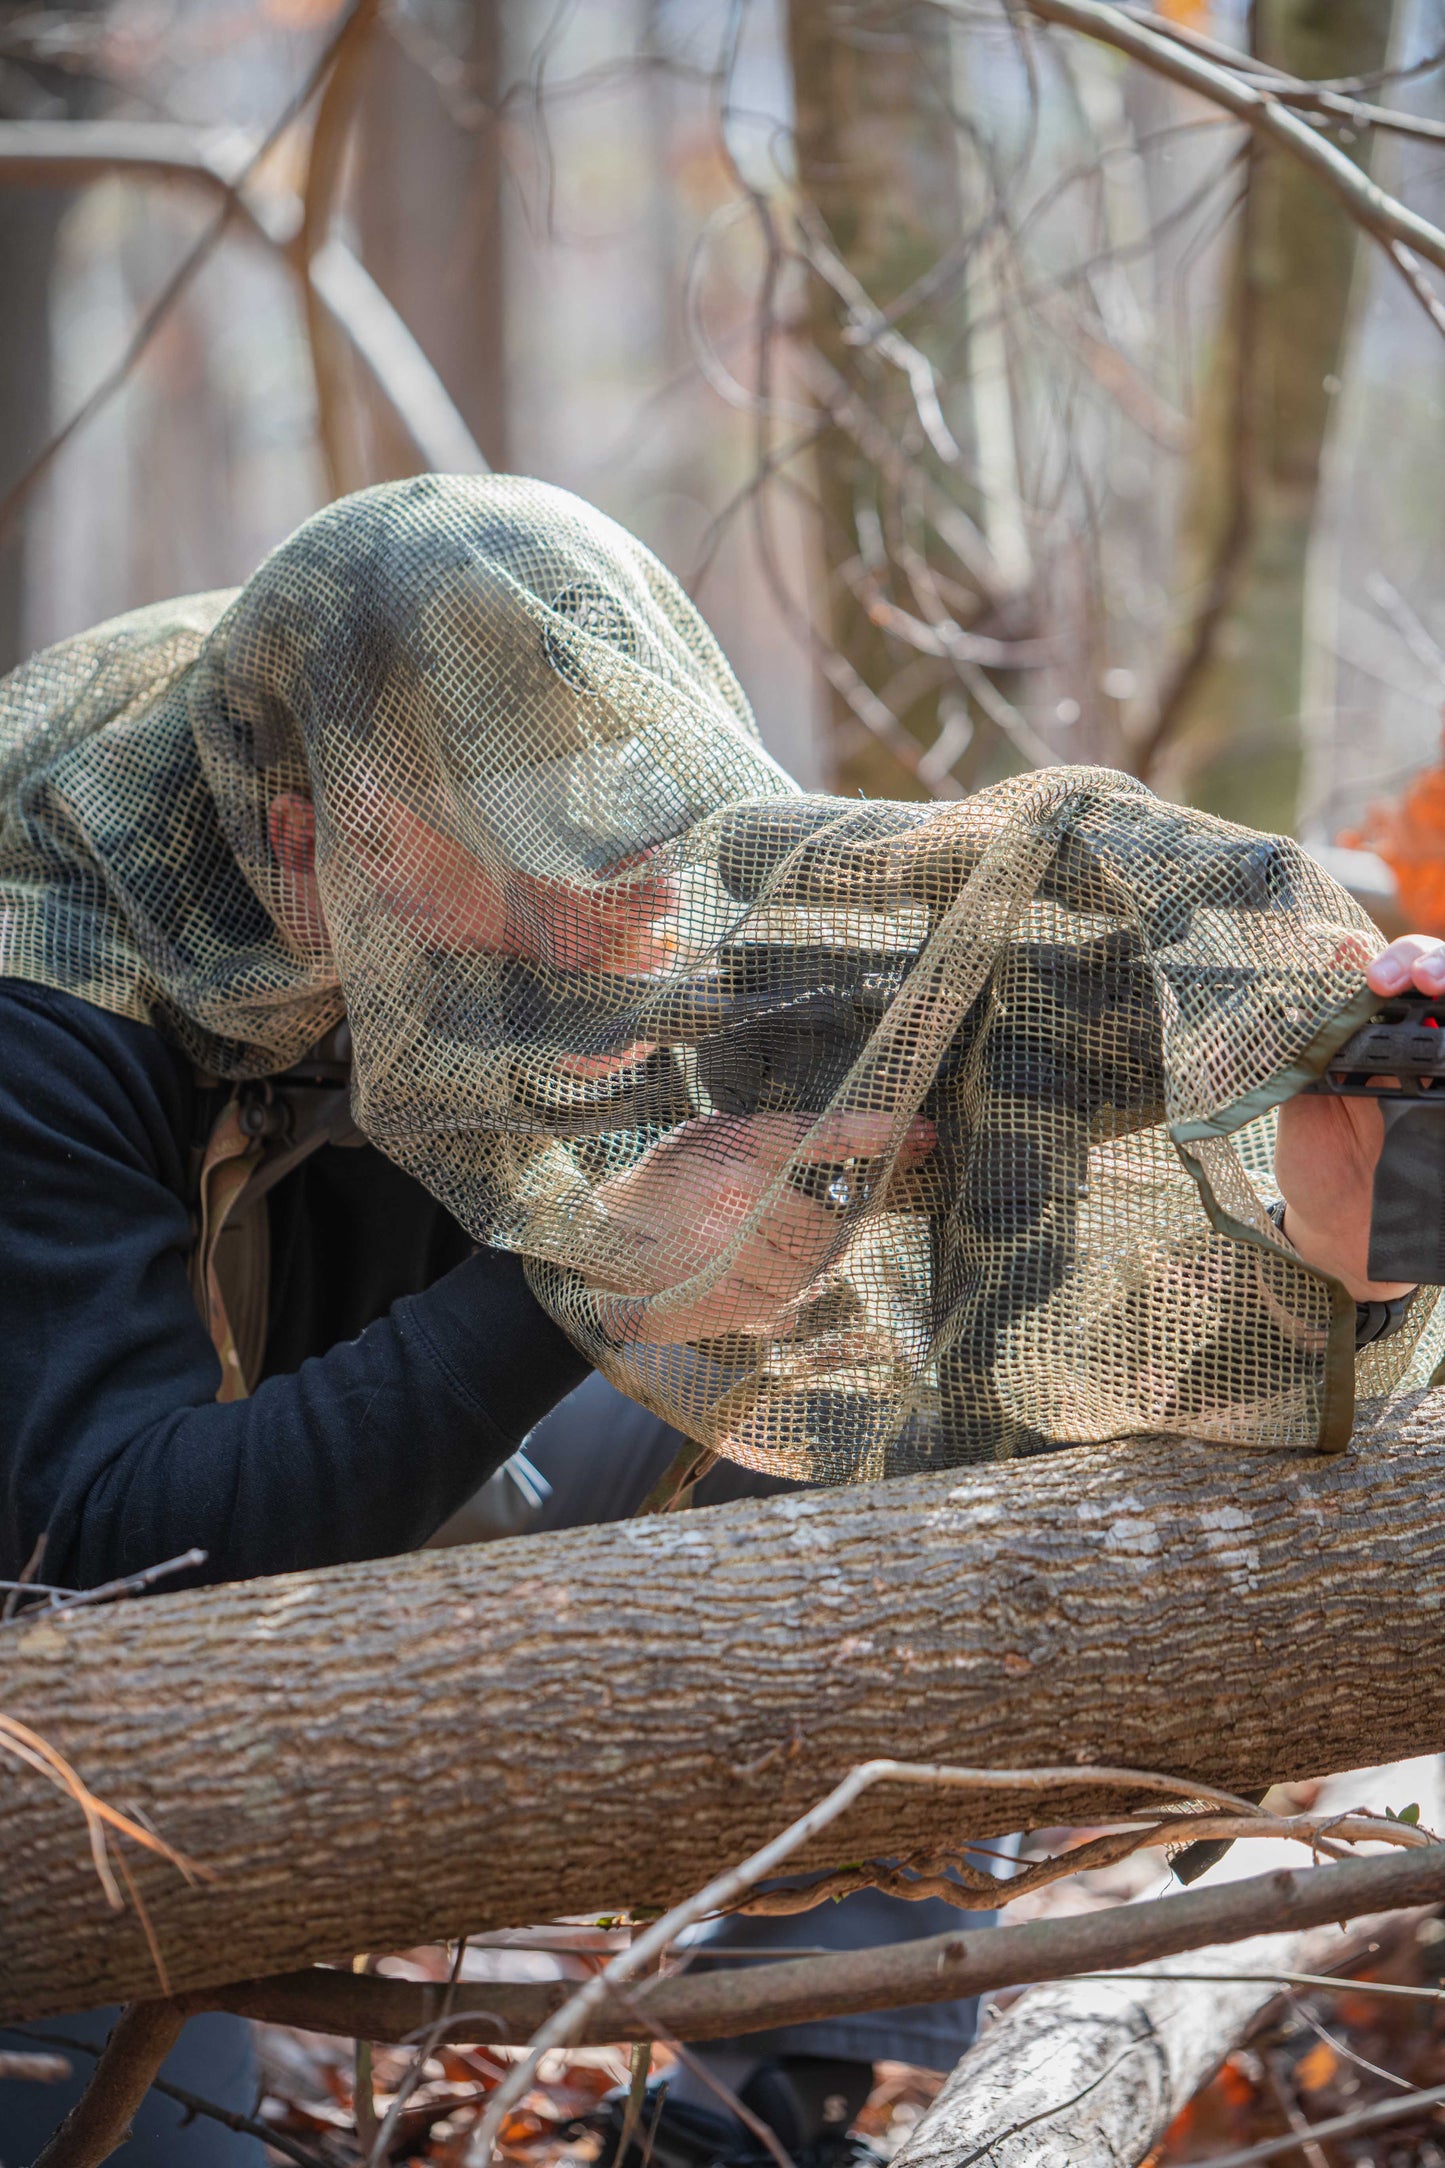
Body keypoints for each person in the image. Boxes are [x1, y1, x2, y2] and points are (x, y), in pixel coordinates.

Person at [0, 470, 1435, 2163]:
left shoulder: (502, 829)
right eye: (534, 881)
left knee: (870, 1379)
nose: (609, 933)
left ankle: (763, 2115)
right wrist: (587, 1264)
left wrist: (1323, 1153)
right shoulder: (43, 1002)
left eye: (627, 858)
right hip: (62, 1744)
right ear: (314, 835)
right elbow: (97, 1576)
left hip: (333, 1518)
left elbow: (963, 988)